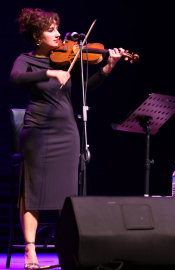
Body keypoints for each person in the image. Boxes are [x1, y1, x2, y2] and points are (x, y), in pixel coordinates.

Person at [10, 8, 125, 269]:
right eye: (51, 30)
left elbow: (85, 90)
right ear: (37, 36)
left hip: (67, 132)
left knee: (68, 195)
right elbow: (15, 78)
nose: (58, 34)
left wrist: (107, 67)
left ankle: (68, 249)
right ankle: (31, 252)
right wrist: (49, 73)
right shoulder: (25, 60)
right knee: (32, 193)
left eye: (57, 28)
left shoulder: (64, 60)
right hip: (37, 130)